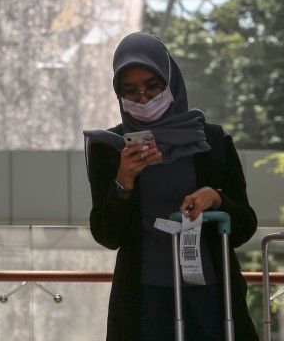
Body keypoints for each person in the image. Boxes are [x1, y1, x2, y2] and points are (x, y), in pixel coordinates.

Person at [84, 32, 259, 341]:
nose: (143, 99)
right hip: (145, 299)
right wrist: (123, 181)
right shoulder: (109, 148)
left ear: (171, 81)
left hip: (213, 296)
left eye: (153, 87)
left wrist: (216, 199)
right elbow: (107, 235)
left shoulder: (212, 142)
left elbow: (244, 226)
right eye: (131, 91)